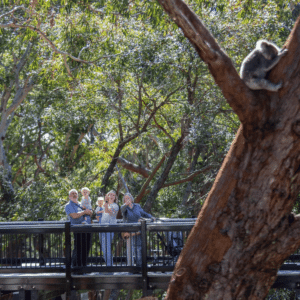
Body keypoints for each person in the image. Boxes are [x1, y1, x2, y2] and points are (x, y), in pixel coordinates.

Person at [121, 193, 155, 267]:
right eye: (125, 199)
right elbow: (122, 209)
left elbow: (143, 213)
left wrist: (151, 217)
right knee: (132, 248)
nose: (127, 200)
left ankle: (140, 265)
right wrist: (126, 204)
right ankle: (135, 266)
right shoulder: (124, 208)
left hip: (139, 229)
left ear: (131, 199)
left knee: (139, 247)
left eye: (128, 198)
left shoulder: (137, 206)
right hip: (130, 230)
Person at [65, 189, 93, 271]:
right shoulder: (68, 205)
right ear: (69, 196)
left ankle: (83, 267)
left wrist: (88, 212)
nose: (74, 195)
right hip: (77, 229)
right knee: (78, 248)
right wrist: (84, 212)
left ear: (78, 195)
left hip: (87, 228)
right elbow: (74, 216)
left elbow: (90, 212)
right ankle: (76, 268)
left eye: (75, 193)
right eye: (72, 193)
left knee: (86, 247)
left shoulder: (82, 204)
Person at [101, 190, 119, 266]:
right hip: (102, 228)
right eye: (110, 195)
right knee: (103, 247)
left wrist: (106, 203)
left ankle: (109, 266)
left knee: (107, 247)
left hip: (110, 228)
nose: (111, 196)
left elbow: (110, 212)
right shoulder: (104, 205)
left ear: (115, 197)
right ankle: (108, 264)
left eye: (113, 195)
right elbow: (102, 213)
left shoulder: (115, 206)